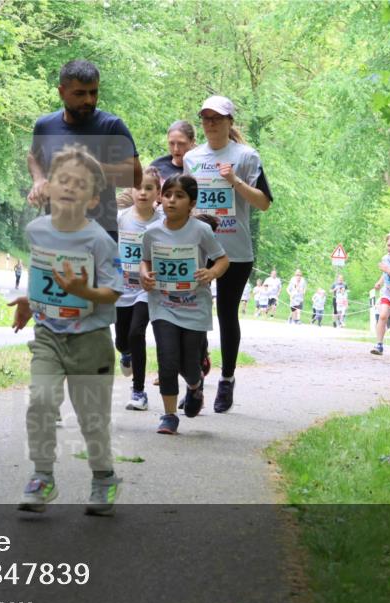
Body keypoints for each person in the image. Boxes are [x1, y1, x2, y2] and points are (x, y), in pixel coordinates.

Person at [9, 145, 124, 516]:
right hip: (48, 335)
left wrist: (83, 292)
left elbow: (114, 289)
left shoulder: (99, 241)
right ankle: (42, 476)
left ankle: (103, 478)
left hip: (90, 339)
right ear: (48, 186)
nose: (70, 187)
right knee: (41, 401)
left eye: (80, 184)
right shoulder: (36, 229)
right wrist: (30, 300)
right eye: (63, 180)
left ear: (93, 200)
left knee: (92, 418)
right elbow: (43, 274)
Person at [182, 95, 272, 413]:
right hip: (199, 247)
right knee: (193, 313)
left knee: (226, 314)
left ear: (230, 122)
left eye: (217, 118)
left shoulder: (246, 156)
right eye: (205, 118)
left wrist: (233, 181)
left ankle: (227, 379)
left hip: (235, 250)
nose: (210, 124)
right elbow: (186, 201)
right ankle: (196, 377)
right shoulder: (192, 158)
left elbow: (263, 202)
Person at [140, 175, 229, 434]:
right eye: (168, 195)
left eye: (179, 196)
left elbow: (223, 260)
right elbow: (145, 260)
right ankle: (169, 416)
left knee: (188, 363)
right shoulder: (152, 233)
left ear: (192, 203)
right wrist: (145, 275)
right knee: (167, 360)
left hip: (194, 306)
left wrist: (211, 273)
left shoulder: (201, 231)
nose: (172, 200)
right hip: (163, 304)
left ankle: (194, 385)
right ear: (161, 198)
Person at [27, 60, 142, 241]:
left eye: (93, 92)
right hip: (54, 230)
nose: (88, 100)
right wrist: (39, 179)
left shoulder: (112, 127)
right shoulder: (45, 125)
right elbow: (33, 156)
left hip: (100, 233)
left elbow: (136, 177)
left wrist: (88, 167)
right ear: (62, 92)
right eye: (80, 93)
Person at [115, 166, 164, 411]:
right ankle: (126, 353)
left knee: (137, 333)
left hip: (146, 289)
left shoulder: (163, 222)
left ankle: (139, 392)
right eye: (138, 187)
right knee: (122, 340)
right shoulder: (121, 217)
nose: (142, 193)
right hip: (121, 288)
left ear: (158, 193)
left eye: (149, 188)